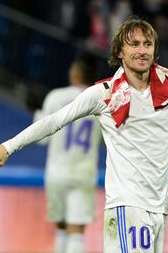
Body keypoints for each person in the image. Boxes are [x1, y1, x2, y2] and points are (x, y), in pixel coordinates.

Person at [0, 18, 168, 253]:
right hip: (127, 205)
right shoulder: (104, 93)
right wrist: (8, 147)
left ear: (155, 50)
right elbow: (54, 121)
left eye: (147, 44)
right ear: (119, 52)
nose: (141, 50)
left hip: (159, 207)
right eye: (133, 44)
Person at [33, 53, 102, 253]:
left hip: (56, 172)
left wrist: (37, 111)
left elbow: (42, 138)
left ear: (75, 72)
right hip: (83, 173)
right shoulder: (100, 100)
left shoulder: (55, 96)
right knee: (76, 232)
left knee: (61, 228)